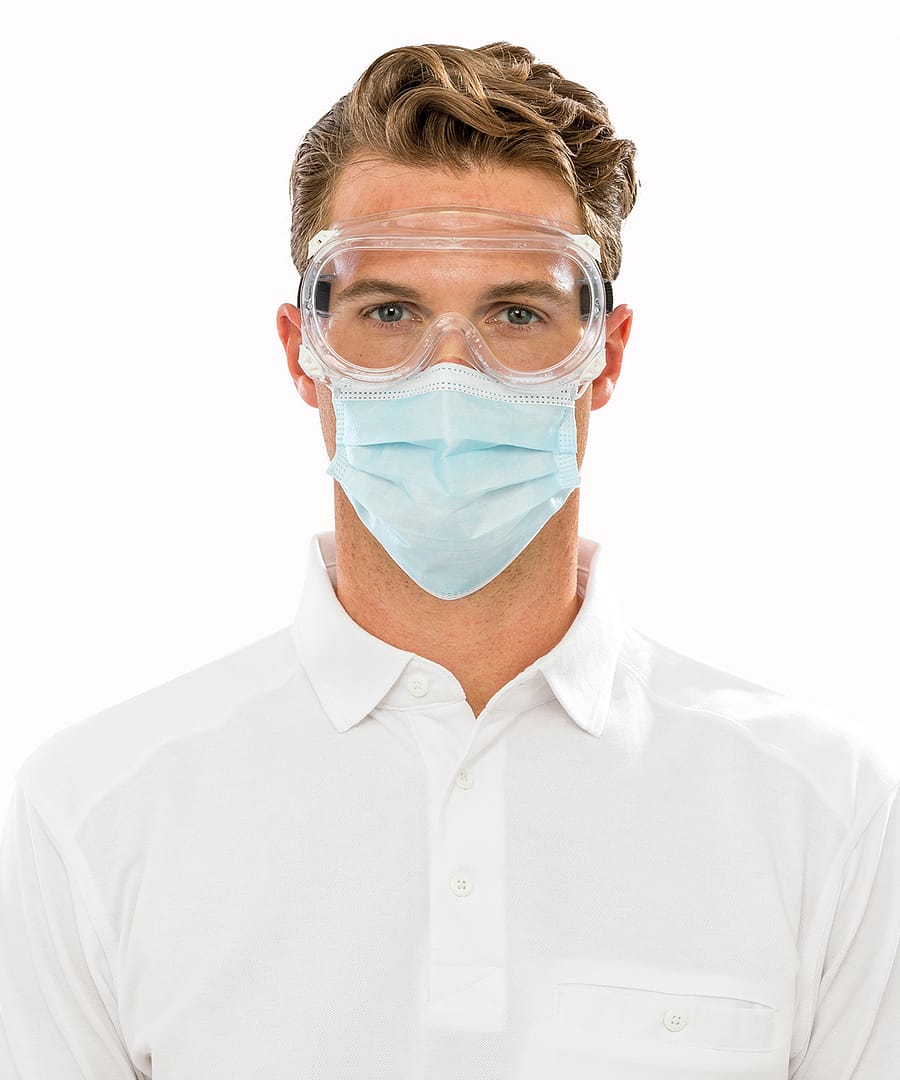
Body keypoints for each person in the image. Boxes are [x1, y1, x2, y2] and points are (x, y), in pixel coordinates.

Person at [1, 41, 897, 1080]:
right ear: (303, 351)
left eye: (518, 313)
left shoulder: (819, 806)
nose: (450, 376)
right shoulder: (99, 807)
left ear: (604, 354)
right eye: (389, 313)